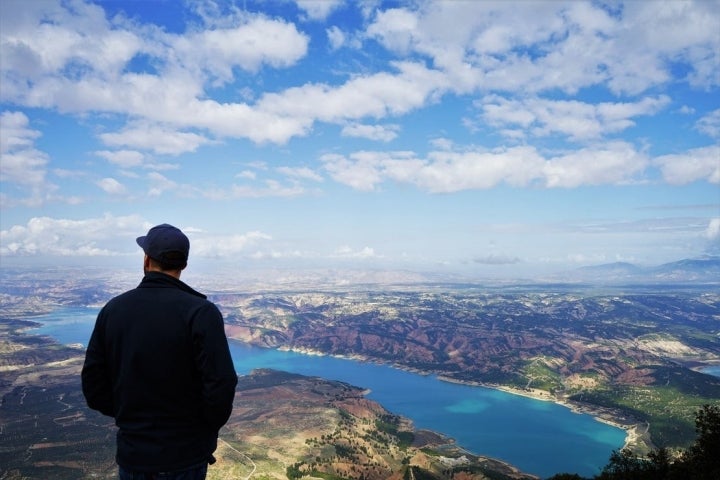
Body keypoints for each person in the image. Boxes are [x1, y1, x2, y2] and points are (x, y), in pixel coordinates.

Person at [82, 223, 238, 480]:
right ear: (183, 265)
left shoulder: (113, 310)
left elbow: (93, 385)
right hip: (186, 456)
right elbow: (222, 383)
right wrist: (200, 428)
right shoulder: (200, 312)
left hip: (134, 455)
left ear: (146, 260)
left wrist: (131, 416)